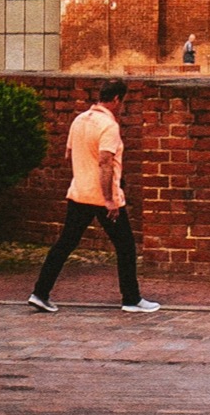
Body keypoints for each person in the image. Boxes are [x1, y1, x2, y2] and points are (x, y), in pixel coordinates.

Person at [30, 85, 160, 314]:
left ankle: (40, 292)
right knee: (126, 246)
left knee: (65, 243)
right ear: (118, 99)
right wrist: (110, 199)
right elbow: (105, 162)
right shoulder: (109, 126)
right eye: (123, 102)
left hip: (79, 192)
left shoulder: (79, 120)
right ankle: (131, 298)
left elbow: (69, 153)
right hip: (103, 197)